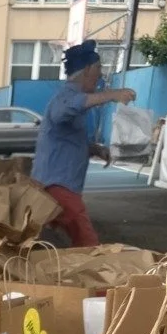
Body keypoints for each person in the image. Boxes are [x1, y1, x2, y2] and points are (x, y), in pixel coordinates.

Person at [32, 40, 136, 247]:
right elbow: (61, 112)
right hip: (58, 188)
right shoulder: (66, 98)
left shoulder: (71, 99)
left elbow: (65, 140)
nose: (100, 75)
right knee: (87, 243)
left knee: (48, 241)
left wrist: (93, 149)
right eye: (98, 68)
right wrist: (112, 95)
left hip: (56, 187)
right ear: (86, 69)